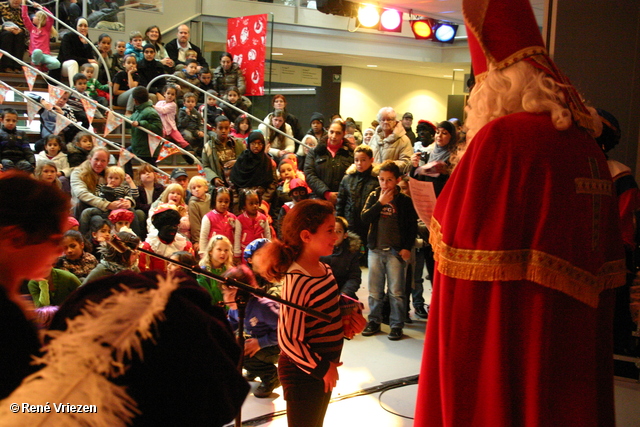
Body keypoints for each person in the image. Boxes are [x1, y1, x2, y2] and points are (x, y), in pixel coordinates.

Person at [414, 0, 626, 425]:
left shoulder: (504, 138)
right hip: (573, 330)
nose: (476, 99)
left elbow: (457, 240)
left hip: (509, 327)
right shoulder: (583, 142)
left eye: (480, 85)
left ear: (498, 82)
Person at [252, 199, 343, 427]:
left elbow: (328, 309)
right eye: (330, 231)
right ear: (306, 236)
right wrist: (322, 368)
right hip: (304, 373)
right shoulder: (298, 280)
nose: (336, 236)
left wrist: (349, 317)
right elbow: (288, 339)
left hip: (321, 368)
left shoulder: (324, 269)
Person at [0, 171, 70, 399]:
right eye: (54, 240)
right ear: (15, 238)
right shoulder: (6, 314)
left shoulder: (11, 304)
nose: (61, 251)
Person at [361, 160, 417, 341]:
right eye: (382, 180)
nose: (385, 184)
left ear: (397, 180)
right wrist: (380, 203)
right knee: (375, 290)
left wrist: (407, 247)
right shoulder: (374, 195)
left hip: (395, 252)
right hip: (375, 250)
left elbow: (411, 227)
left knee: (397, 291)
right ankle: (375, 320)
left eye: (389, 180)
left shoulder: (404, 201)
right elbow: (364, 217)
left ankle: (396, 324)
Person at [223, 264, 281, 398]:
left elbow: (284, 331)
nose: (226, 298)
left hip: (277, 346)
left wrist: (260, 343)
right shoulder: (235, 306)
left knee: (241, 353)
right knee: (232, 347)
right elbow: (233, 323)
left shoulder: (263, 307)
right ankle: (254, 369)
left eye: (231, 293)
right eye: (224, 293)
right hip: (258, 339)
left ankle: (271, 376)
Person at [336, 143, 378, 251]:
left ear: (371, 160)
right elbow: (341, 202)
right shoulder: (347, 178)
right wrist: (340, 222)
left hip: (369, 223)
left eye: (363, 160)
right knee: (351, 251)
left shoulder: (376, 179)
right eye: (356, 160)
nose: (359, 163)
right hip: (351, 221)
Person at [304, 118, 354, 204]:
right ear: (328, 131)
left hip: (343, 201)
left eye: (338, 133)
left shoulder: (351, 154)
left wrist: (341, 195)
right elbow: (310, 175)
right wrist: (326, 193)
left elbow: (353, 178)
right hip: (318, 199)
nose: (334, 136)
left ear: (343, 134)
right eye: (331, 132)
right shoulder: (314, 152)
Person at [139, 204, 194, 272]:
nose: (173, 229)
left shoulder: (186, 247)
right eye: (168, 226)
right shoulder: (147, 248)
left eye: (175, 225)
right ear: (159, 227)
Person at [410, 120, 458, 197]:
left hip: (444, 197)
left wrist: (444, 172)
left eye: (444, 133)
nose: (439, 135)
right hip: (427, 198)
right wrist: (414, 166)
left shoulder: (454, 158)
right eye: (437, 132)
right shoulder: (429, 154)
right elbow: (417, 179)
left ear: (451, 136)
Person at [319, 216, 361, 299]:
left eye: (338, 232)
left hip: (343, 293)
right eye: (330, 231)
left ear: (345, 235)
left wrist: (344, 293)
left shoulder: (351, 252)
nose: (334, 235)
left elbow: (354, 277)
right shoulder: (318, 250)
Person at [202, 115, 245, 188]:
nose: (223, 131)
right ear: (215, 129)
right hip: (219, 185)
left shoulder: (239, 144)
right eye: (220, 128)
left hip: (237, 183)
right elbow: (205, 166)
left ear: (229, 129)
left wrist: (237, 162)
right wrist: (214, 178)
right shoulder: (208, 147)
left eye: (226, 128)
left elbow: (247, 160)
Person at [229, 131, 275, 195]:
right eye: (253, 143)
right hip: (242, 195)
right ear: (249, 144)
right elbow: (234, 181)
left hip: (261, 196)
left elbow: (271, 184)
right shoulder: (243, 158)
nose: (256, 146)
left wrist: (264, 200)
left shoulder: (266, 161)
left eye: (259, 143)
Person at [56, 18, 99, 87]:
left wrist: (85, 45)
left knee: (94, 65)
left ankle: (91, 88)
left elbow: (90, 57)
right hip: (66, 65)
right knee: (73, 63)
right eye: (80, 25)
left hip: (81, 65)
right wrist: (87, 60)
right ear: (76, 26)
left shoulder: (88, 40)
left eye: (85, 26)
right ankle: (74, 89)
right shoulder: (67, 37)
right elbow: (68, 56)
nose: (83, 28)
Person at [369, 107, 413, 172]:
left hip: (393, 179)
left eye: (389, 119)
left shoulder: (404, 140)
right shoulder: (374, 138)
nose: (386, 122)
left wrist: (385, 166)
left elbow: (407, 163)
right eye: (383, 119)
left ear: (395, 121)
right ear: (379, 121)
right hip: (373, 178)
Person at [129, 86, 163, 169]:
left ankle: (162, 181)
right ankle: (128, 178)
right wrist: (115, 116)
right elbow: (130, 121)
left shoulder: (151, 112)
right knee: (125, 156)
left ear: (135, 100)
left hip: (148, 150)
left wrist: (141, 123)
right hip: (139, 146)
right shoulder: (138, 111)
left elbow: (158, 129)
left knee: (151, 170)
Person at [234, 189, 271, 263]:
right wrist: (237, 254)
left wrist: (269, 248)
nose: (255, 206)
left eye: (256, 203)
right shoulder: (240, 219)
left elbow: (267, 234)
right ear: (244, 205)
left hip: (261, 250)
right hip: (245, 250)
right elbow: (237, 237)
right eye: (251, 204)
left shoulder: (263, 218)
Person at [22, 0, 60, 71]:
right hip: (36, 54)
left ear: (40, 19)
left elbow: (51, 16)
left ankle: (43, 67)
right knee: (37, 51)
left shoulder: (46, 29)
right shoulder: (31, 28)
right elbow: (25, 16)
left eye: (35, 16)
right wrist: (24, 3)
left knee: (57, 64)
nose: (33, 17)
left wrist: (41, 7)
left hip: (45, 55)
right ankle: (36, 64)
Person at [199, 187, 236, 258]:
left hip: (228, 254)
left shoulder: (233, 218)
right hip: (212, 254)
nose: (223, 204)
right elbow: (203, 237)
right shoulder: (208, 217)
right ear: (214, 201)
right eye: (220, 201)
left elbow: (235, 236)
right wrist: (203, 253)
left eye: (226, 202)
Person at [155, 84, 193, 152]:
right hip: (161, 126)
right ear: (164, 94)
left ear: (175, 96)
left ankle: (191, 157)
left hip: (171, 127)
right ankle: (157, 152)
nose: (170, 95)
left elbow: (163, 110)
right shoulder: (160, 103)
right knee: (160, 136)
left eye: (172, 94)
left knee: (181, 140)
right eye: (168, 93)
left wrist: (153, 106)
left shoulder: (173, 105)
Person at [197, 234, 233, 306]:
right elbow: (206, 297)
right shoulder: (203, 272)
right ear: (210, 251)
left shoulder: (230, 271)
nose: (223, 253)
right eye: (219, 249)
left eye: (226, 250)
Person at [0, 107, 34, 172]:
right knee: (8, 165)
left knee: (27, 166)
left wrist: (32, 162)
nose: (11, 123)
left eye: (14, 121)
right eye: (8, 120)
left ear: (17, 121)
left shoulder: (22, 134)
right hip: (4, 159)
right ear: (1, 120)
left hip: (20, 159)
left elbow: (27, 149)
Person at [0, 0, 26, 73]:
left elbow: (28, 26)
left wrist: (21, 30)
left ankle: (17, 66)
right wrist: (4, 28)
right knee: (8, 34)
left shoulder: (22, 10)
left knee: (20, 35)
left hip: (16, 32)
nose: (16, 1)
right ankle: (6, 66)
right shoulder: (1, 6)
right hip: (3, 31)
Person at [187, 175, 210, 253]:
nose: (196, 189)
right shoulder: (193, 203)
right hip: (202, 235)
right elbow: (195, 223)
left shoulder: (210, 198)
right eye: (193, 188)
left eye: (199, 186)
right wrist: (197, 240)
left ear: (206, 188)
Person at [177, 91, 205, 156]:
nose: (190, 104)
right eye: (188, 102)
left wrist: (201, 131)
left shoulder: (196, 113)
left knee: (205, 136)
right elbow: (182, 124)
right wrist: (188, 115)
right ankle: (189, 153)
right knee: (188, 136)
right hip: (184, 129)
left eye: (192, 102)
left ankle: (199, 152)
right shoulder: (182, 111)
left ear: (195, 103)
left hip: (195, 130)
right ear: (184, 103)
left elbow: (200, 123)